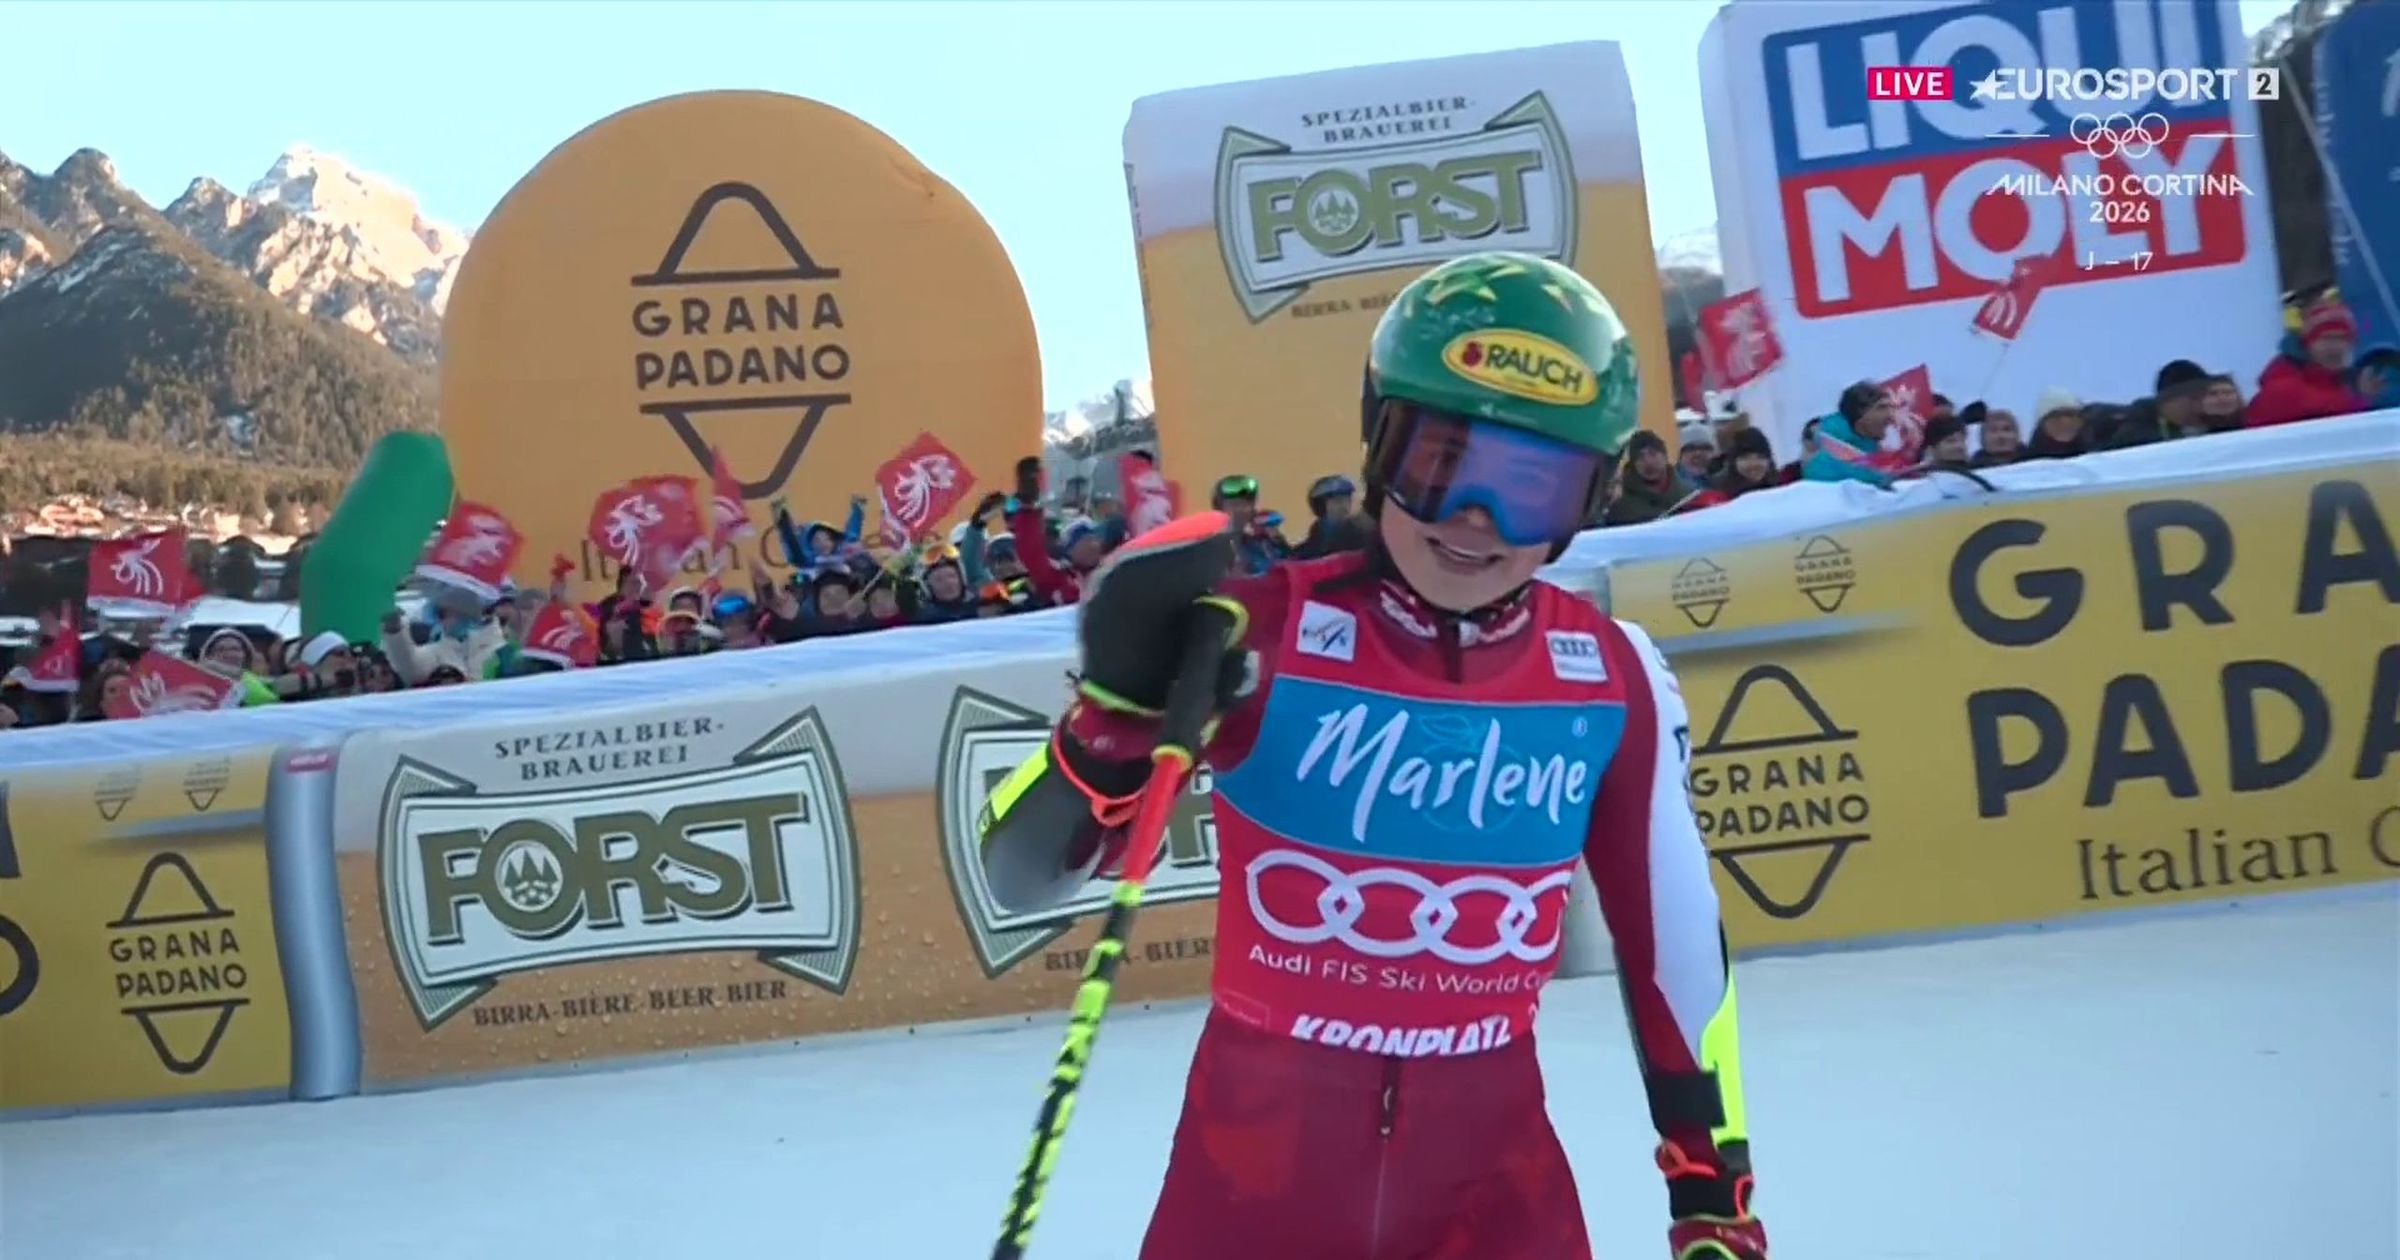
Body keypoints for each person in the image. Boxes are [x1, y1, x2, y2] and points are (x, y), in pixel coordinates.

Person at [975, 252, 1765, 1260]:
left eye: (1535, 488)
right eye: (1442, 465)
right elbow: (1019, 873)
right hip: (1252, 1193)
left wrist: (1715, 1193)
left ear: (1596, 497)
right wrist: (1112, 717)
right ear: (1378, 443)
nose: (1477, 523)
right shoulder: (1262, 632)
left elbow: (1678, 949)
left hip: (1493, 1204)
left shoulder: (1609, 677)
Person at [2250, 295, 2367, 427]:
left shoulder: (2354, 385)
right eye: (2326, 338)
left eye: (2342, 338)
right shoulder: (2282, 391)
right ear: (2308, 344)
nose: (2335, 347)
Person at [1803, 382, 1899, 486]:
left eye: (1891, 408)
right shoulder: (1824, 460)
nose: (1891, 416)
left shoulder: (1870, 440)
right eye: (1881, 407)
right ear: (1860, 412)